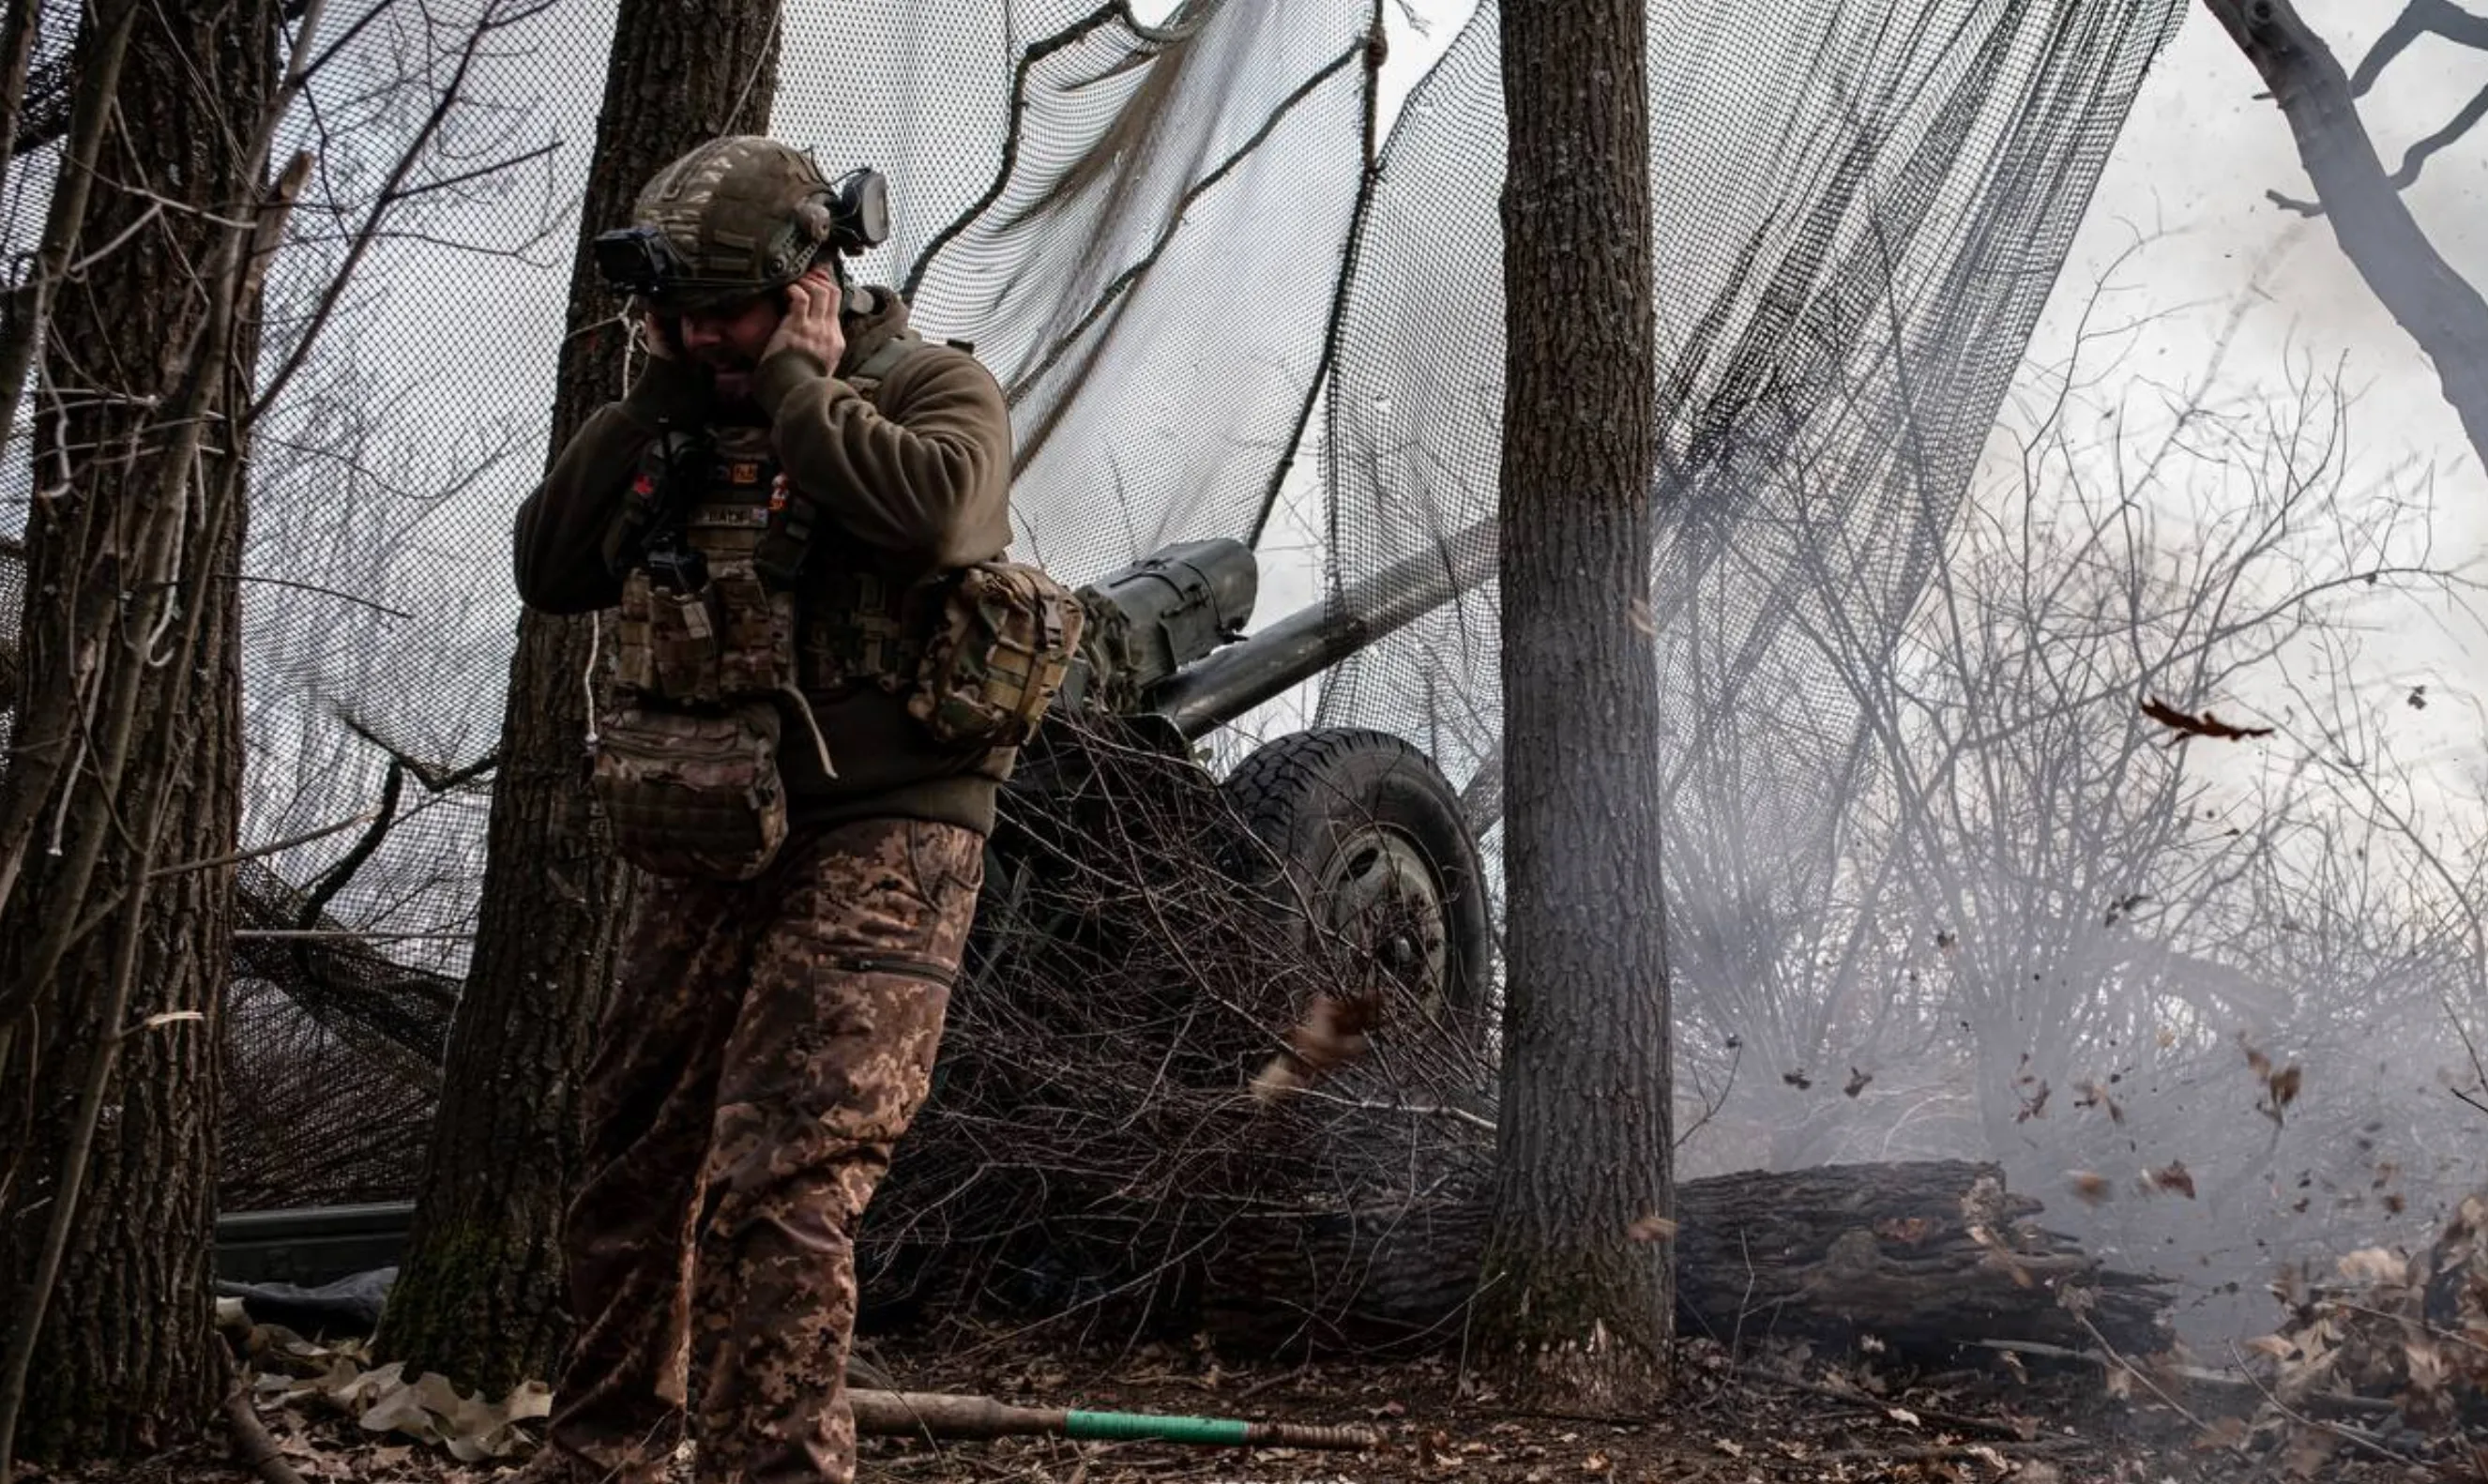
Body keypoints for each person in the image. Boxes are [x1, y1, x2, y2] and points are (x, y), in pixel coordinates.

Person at [509, 135, 1067, 1484]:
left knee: (786, 1182)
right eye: (681, 314)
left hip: (886, 830)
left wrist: (800, 384)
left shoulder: (932, 387)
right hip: (709, 828)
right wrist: (657, 390)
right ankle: (602, 1459)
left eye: (730, 310)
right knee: (635, 1162)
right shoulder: (679, 409)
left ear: (814, 278)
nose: (707, 337)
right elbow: (549, 562)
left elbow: (938, 517)